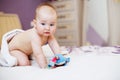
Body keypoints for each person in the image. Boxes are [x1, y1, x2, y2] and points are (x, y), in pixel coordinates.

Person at [8, 3, 61, 68]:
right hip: (15, 49)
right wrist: (44, 66)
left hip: (26, 51)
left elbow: (54, 44)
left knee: (29, 56)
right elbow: (38, 54)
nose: (47, 28)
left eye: (51, 25)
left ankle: (26, 55)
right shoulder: (34, 36)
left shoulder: (48, 34)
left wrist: (59, 56)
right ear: (35, 24)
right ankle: (18, 55)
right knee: (24, 63)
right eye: (43, 24)